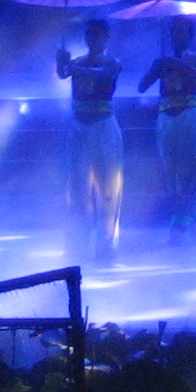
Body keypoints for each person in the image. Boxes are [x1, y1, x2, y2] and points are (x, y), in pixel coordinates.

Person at [55, 17, 125, 262]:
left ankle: (106, 243)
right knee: (77, 187)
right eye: (89, 34)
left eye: (96, 34)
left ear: (106, 38)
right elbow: (63, 74)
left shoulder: (112, 62)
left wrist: (70, 67)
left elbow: (103, 76)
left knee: (108, 187)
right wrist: (60, 60)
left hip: (103, 126)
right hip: (79, 126)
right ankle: (78, 241)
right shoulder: (77, 62)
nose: (92, 39)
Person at [139, 16, 196, 242]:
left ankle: (179, 223)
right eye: (174, 32)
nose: (178, 37)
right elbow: (142, 86)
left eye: (182, 32)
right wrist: (157, 68)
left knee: (190, 170)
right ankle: (194, 217)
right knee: (171, 172)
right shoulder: (163, 62)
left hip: (189, 114)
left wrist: (180, 64)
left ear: (190, 36)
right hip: (166, 117)